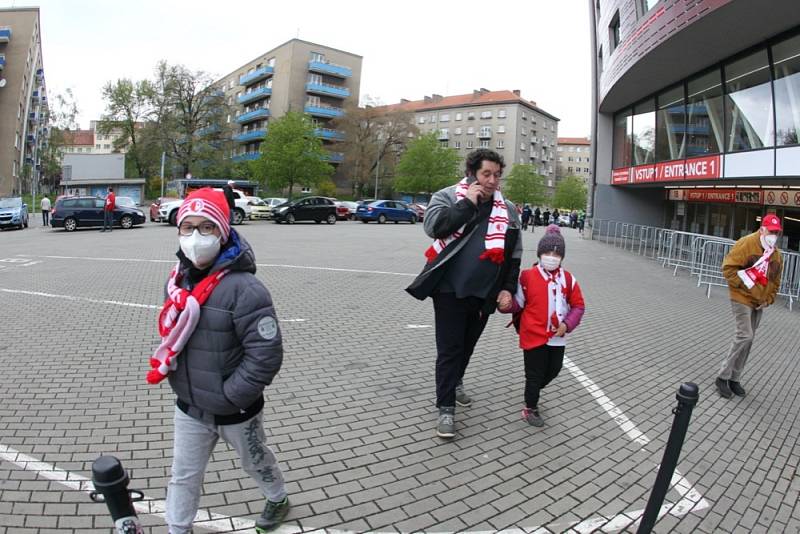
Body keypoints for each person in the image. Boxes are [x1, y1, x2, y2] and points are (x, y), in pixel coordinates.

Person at [146, 188, 289, 533]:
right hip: (190, 406)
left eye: (206, 228)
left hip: (234, 409)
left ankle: (277, 497)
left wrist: (231, 396)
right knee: (183, 477)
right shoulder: (176, 282)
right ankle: (177, 529)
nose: (195, 237)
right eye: (187, 227)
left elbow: (266, 354)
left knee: (256, 461)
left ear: (222, 232)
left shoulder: (245, 289)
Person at [406, 149, 522, 439]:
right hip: (449, 289)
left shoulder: (507, 209)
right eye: (487, 174)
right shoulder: (447, 197)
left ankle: (456, 382)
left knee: (468, 345)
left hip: (485, 293)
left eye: (497, 174)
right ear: (472, 173)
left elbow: (515, 254)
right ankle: (445, 408)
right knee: (450, 349)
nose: (493, 180)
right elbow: (434, 228)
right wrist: (467, 204)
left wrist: (507, 288)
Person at [499, 225, 585, 427]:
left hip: (557, 336)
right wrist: (506, 304)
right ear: (540, 253)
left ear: (562, 257)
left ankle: (534, 390)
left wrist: (567, 324)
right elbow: (518, 303)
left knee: (554, 369)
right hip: (533, 333)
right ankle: (530, 407)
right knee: (534, 373)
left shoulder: (569, 279)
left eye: (556, 254)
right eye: (547, 252)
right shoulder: (527, 276)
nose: (551, 257)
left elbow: (579, 306)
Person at [716, 214, 784, 399]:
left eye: (777, 232)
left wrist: (768, 299)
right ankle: (723, 376)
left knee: (749, 340)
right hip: (741, 297)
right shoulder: (746, 244)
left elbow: (776, 282)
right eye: (771, 231)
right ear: (762, 229)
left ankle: (735, 378)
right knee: (744, 334)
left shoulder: (776, 255)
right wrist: (744, 284)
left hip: (758, 303)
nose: (774, 235)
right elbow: (728, 268)